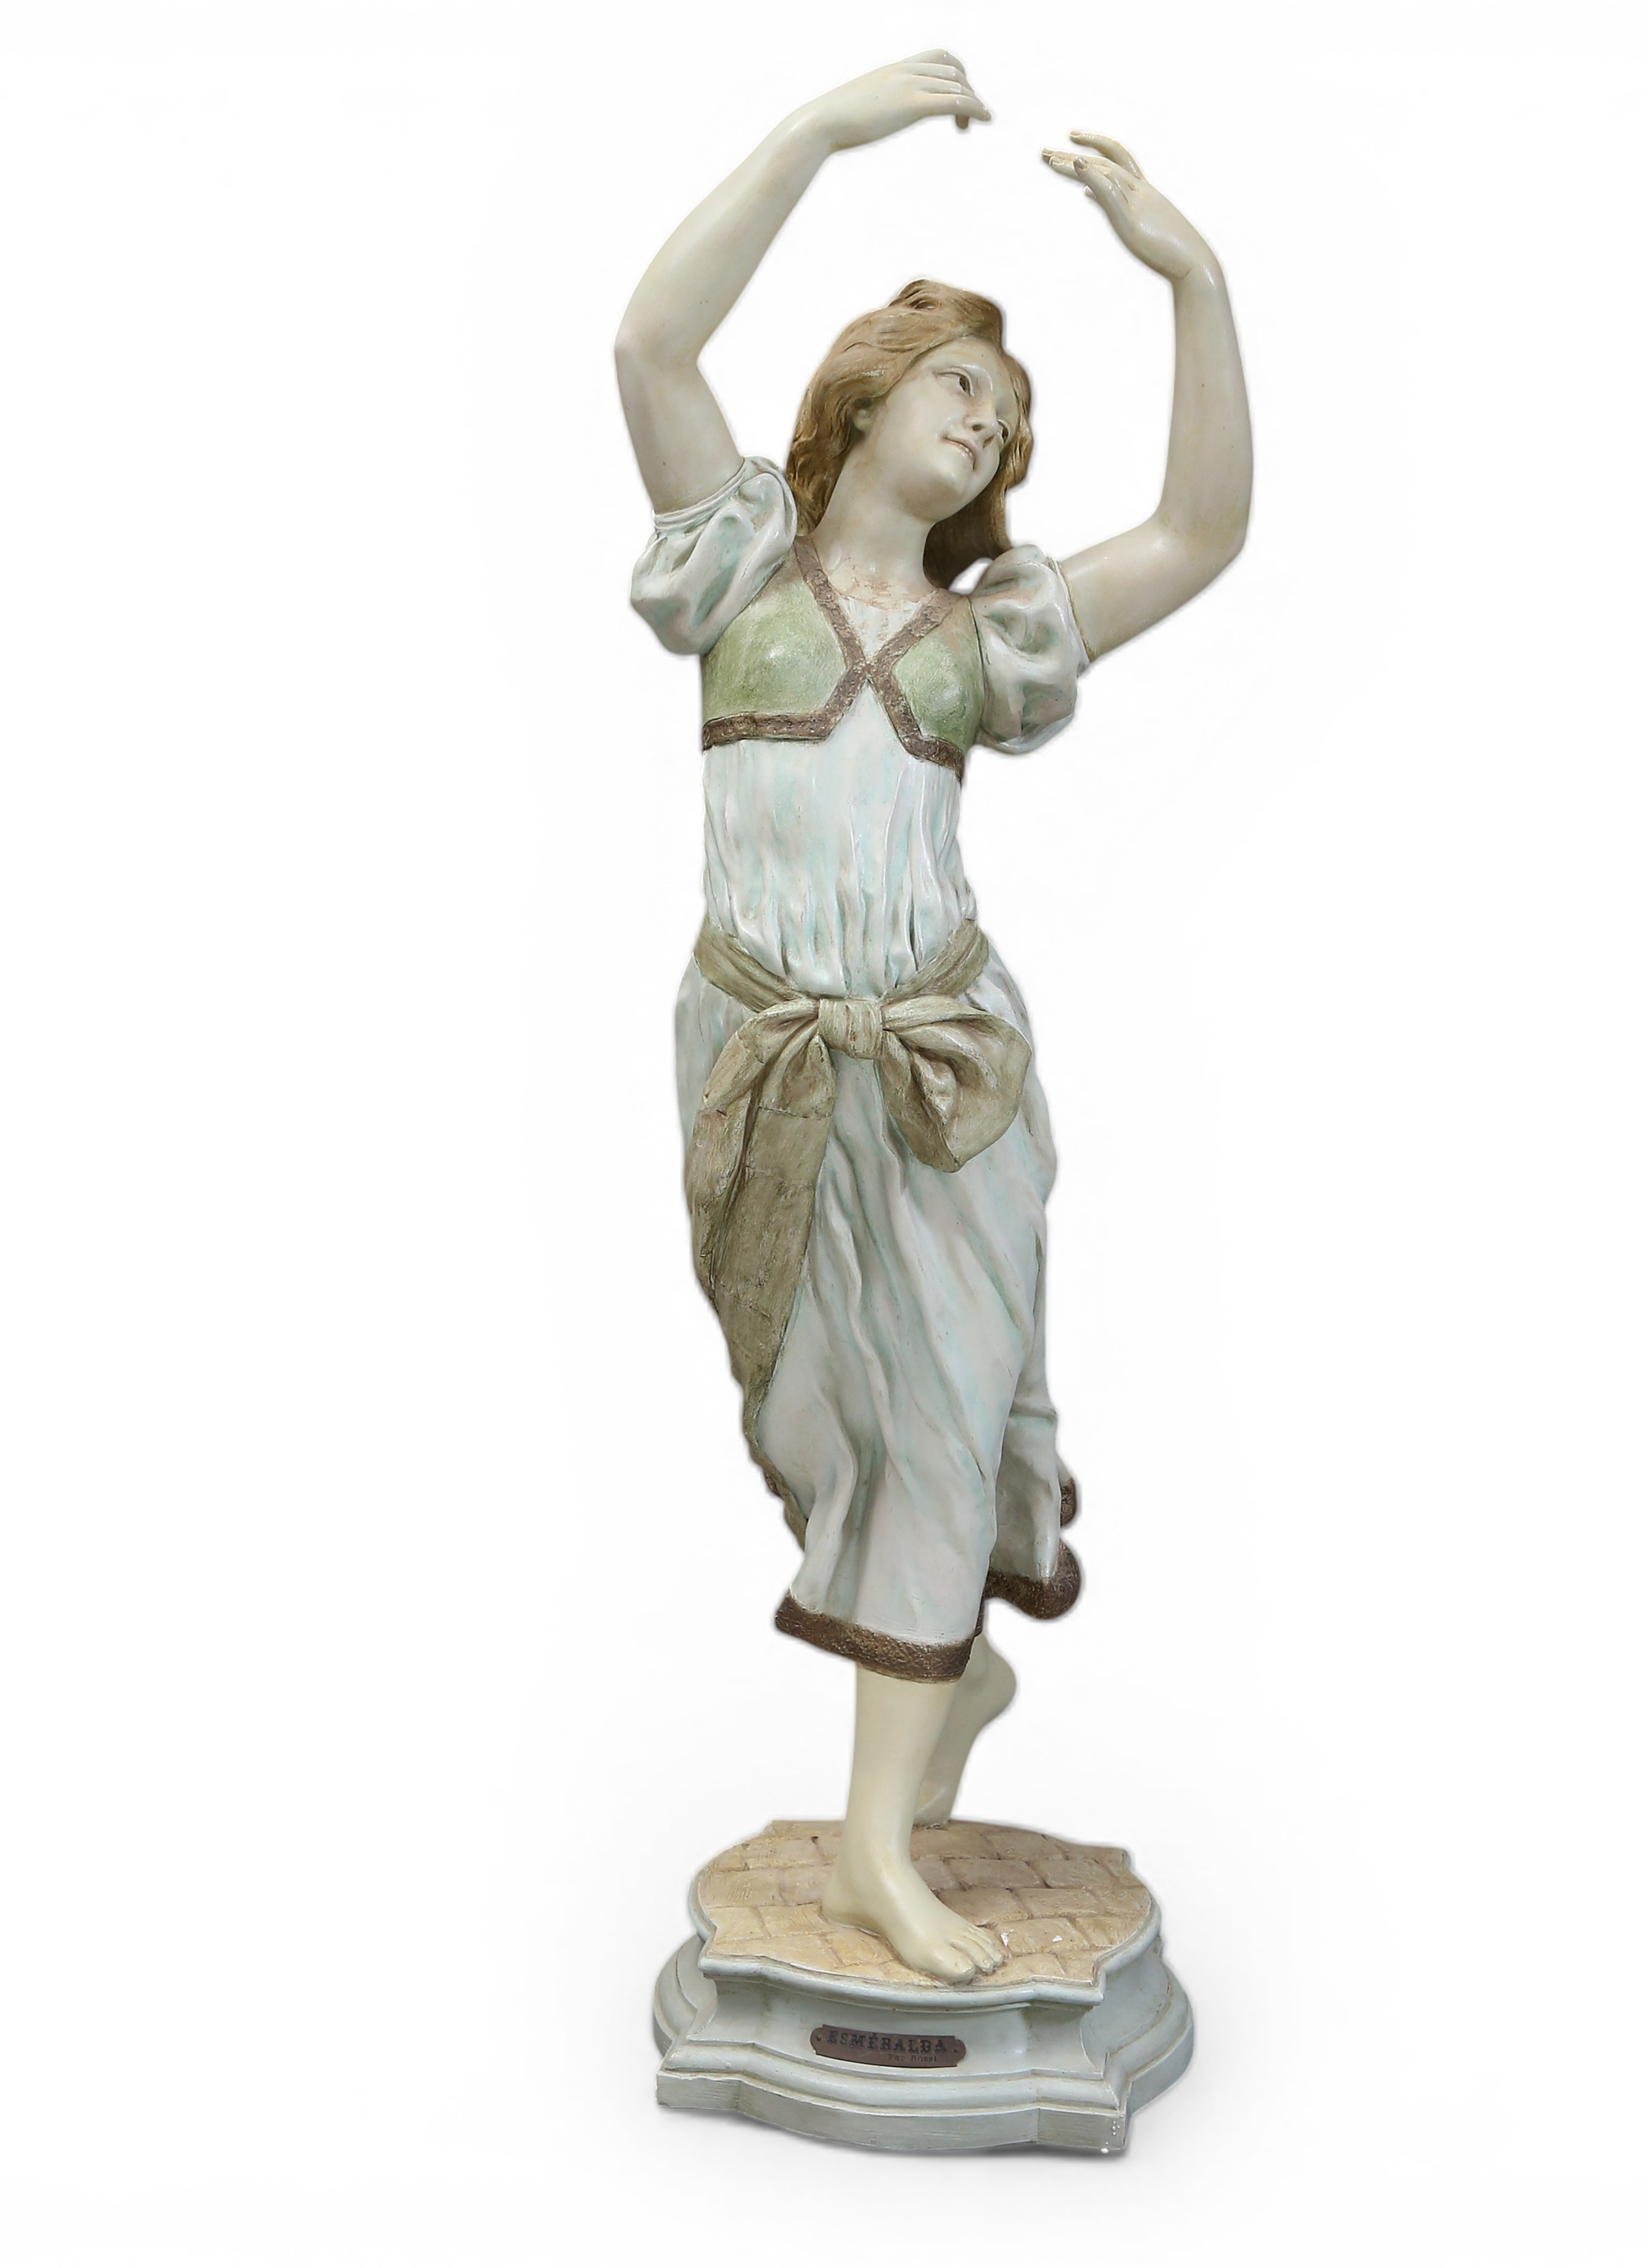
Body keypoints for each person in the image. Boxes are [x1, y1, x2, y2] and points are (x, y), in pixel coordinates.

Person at [617, 52, 1251, 1983]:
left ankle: (880, 1848)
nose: (986, 426)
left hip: (945, 1077)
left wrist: (1194, 279)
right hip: (757, 1061)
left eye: (1008, 419)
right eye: (962, 385)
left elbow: (1200, 530)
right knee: (815, 1428)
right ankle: (947, 1685)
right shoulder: (739, 566)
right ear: (867, 391)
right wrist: (820, 129)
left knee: (936, 1427)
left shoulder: (990, 636)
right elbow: (648, 340)